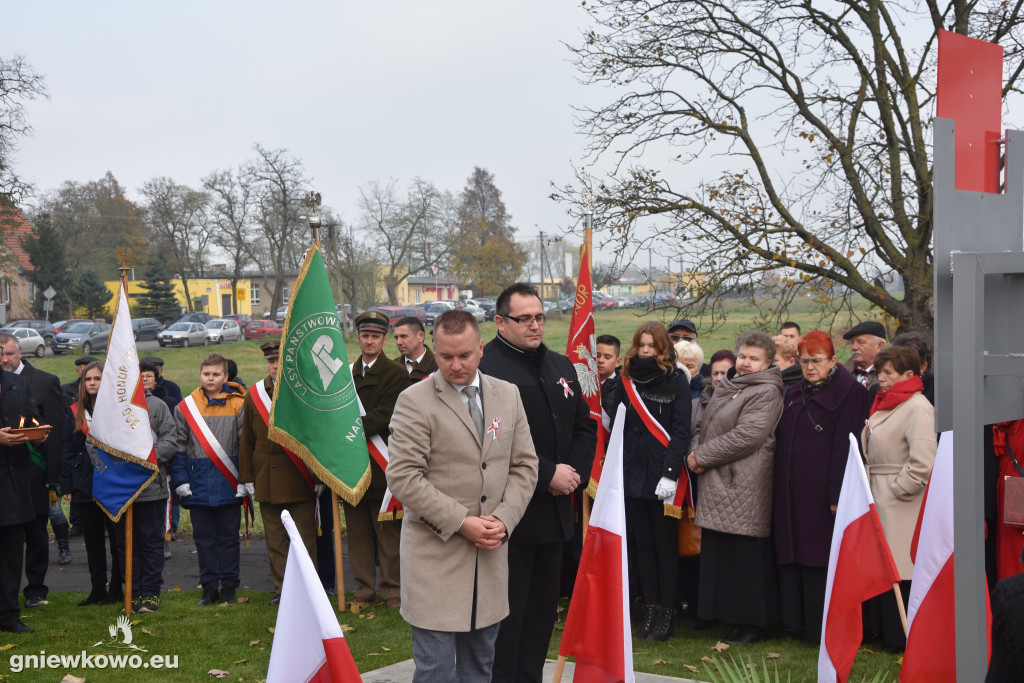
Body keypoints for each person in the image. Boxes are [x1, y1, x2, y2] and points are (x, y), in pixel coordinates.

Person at [387, 309, 539, 681]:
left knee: (479, 670)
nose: (456, 365)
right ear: (432, 349)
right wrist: (462, 522)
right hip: (433, 564)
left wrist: (503, 520)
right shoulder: (414, 401)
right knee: (436, 672)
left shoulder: (508, 395)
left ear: (481, 348)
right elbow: (404, 477)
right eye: (445, 356)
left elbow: (524, 466)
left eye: (465, 355)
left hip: (489, 562)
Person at [479, 283, 596, 683]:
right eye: (524, 318)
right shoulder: (487, 368)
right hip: (511, 516)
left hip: (556, 514)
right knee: (508, 617)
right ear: (500, 322)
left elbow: (584, 425)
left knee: (543, 612)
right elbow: (492, 439)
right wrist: (548, 474)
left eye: (539, 317)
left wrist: (573, 475)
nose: (534, 325)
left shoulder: (561, 366)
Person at [773, 331, 871, 643]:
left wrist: (835, 494)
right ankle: (796, 622)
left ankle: (821, 627)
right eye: (804, 362)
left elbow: (847, 446)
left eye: (816, 361)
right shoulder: (794, 391)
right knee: (795, 553)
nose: (809, 367)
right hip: (792, 490)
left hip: (822, 491)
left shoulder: (851, 394)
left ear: (831, 360)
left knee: (820, 558)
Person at [687, 331, 784, 645]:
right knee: (724, 555)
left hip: (742, 483)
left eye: (754, 358)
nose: (745, 362)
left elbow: (747, 436)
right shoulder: (730, 385)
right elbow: (705, 425)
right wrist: (694, 448)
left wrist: (700, 457)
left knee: (745, 559)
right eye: (743, 355)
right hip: (720, 480)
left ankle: (752, 623)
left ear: (768, 363)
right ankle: (730, 619)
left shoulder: (766, 391)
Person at [603, 322, 691, 641]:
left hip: (662, 475)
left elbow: (681, 430)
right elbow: (617, 429)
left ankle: (666, 616)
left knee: (664, 547)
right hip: (632, 473)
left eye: (651, 345)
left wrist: (670, 473)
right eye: (641, 344)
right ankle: (650, 612)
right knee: (642, 547)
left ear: (663, 347)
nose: (645, 350)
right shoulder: (627, 380)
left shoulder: (676, 379)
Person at [861, 345, 936, 651]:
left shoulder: (917, 406)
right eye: (878, 372)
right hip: (878, 493)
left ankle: (901, 636)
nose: (881, 378)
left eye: (887, 372)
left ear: (909, 374)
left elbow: (923, 462)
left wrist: (895, 490)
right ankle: (884, 631)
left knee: (901, 571)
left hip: (900, 503)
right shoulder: (884, 404)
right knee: (882, 568)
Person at [240, 339, 320, 606]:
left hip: (299, 477)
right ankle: (282, 590)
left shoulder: (305, 391)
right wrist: (247, 478)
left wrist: (320, 477)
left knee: (304, 541)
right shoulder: (255, 394)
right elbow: (246, 440)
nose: (275, 366)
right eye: (270, 361)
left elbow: (317, 437)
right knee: (275, 540)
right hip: (267, 478)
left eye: (279, 360)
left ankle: (309, 591)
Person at [168, 353, 247, 606]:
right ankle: (209, 587)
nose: (210, 379)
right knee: (203, 540)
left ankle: (230, 586)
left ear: (226, 376)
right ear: (199, 374)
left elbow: (246, 446)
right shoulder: (185, 406)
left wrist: (246, 480)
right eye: (206, 374)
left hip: (230, 483)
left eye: (216, 374)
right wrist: (180, 480)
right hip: (197, 483)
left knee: (228, 539)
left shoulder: (240, 403)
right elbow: (178, 447)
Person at [0, 332, 69, 606]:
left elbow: (53, 428)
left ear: (20, 354)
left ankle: (35, 590)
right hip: (5, 475)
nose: (5, 359)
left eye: (9, 353)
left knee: (36, 535)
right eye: (0, 354)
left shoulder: (43, 381)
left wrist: (53, 478)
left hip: (32, 473)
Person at [346, 310, 408, 609]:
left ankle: (392, 589)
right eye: (365, 336)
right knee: (357, 534)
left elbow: (388, 415)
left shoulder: (396, 374)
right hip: (352, 465)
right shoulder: (344, 376)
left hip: (383, 465)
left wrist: (347, 432)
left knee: (387, 534)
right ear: (358, 338)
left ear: (385, 340)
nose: (369, 341)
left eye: (375, 336)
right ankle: (363, 589)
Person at [113, 370, 176, 613]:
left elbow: (170, 440)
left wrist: (145, 461)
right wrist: (115, 468)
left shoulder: (157, 406)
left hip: (150, 487)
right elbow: (94, 443)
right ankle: (132, 591)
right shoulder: (110, 407)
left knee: (149, 541)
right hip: (119, 487)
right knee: (124, 543)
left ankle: (149, 594)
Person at [59, 361, 122, 606]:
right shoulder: (74, 410)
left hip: (113, 481)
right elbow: (66, 448)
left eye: (97, 378)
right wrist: (66, 485)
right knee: (93, 540)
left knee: (116, 539)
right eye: (88, 379)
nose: (93, 383)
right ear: (83, 383)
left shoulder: (116, 409)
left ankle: (117, 588)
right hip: (85, 482)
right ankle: (98, 589)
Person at [891, 331, 934, 405]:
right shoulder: (884, 387)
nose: (896, 367)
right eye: (893, 362)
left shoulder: (936, 392)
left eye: (903, 363)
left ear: (922, 366)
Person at [393, 316, 438, 382]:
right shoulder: (392, 368)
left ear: (420, 336)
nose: (398, 342)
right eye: (396, 338)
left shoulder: (438, 366)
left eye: (403, 336)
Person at [842, 321, 886, 389]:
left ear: (879, 346)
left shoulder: (891, 376)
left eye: (861, 342)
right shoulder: (840, 374)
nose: (854, 347)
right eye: (852, 342)